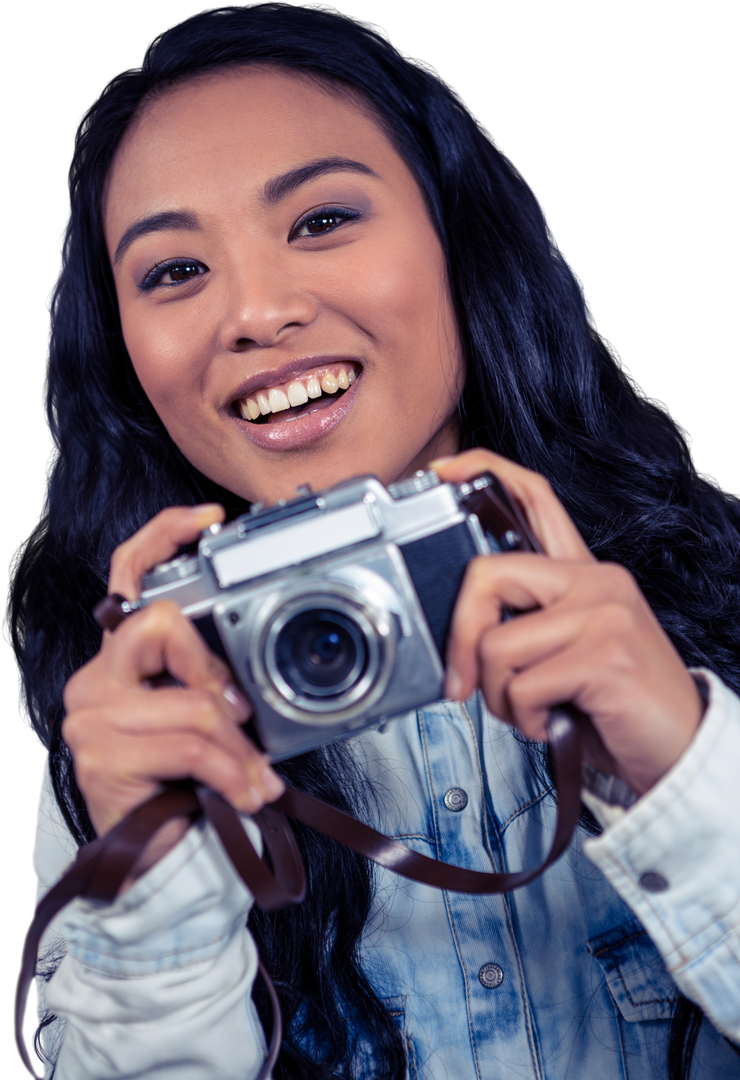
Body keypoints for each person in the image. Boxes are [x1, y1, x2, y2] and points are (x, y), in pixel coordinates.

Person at [5, 3, 739, 1077]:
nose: (254, 313)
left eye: (318, 221)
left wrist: (679, 760)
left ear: (456, 240)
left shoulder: (714, 585)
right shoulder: (132, 721)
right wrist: (151, 884)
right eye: (173, 272)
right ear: (124, 354)